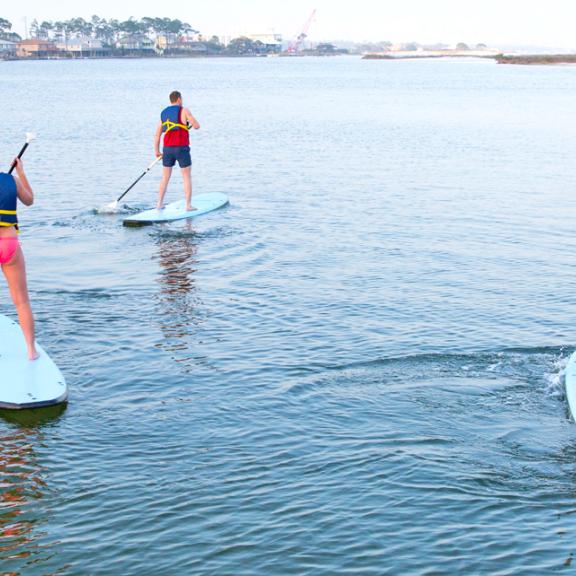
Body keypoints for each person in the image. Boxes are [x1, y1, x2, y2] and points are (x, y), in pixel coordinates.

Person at [0, 158, 38, 360]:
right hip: (9, 244)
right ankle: (31, 351)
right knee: (21, 301)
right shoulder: (11, 181)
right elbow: (30, 200)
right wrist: (21, 172)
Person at [154, 90, 200, 211]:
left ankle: (159, 204)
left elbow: (157, 135)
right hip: (181, 148)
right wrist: (189, 121)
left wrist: (157, 151)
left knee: (165, 177)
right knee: (186, 176)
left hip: (167, 149)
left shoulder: (163, 113)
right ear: (179, 99)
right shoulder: (184, 110)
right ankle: (188, 205)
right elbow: (196, 126)